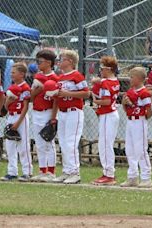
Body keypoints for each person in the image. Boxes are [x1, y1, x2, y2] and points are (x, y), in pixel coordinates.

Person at [52, 50, 89, 184]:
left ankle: (75, 172)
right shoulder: (61, 77)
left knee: (71, 142)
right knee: (62, 142)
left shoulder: (77, 76)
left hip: (74, 111)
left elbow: (86, 93)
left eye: (63, 59)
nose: (60, 61)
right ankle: (66, 171)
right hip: (62, 112)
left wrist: (68, 93)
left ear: (71, 62)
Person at [29, 49, 59, 183]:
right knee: (39, 143)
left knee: (48, 141)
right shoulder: (37, 77)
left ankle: (51, 172)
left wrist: (53, 117)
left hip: (47, 111)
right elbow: (30, 97)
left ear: (48, 63)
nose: (38, 64)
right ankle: (42, 170)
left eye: (40, 62)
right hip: (36, 111)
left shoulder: (54, 78)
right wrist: (38, 89)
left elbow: (56, 100)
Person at [121, 67, 152, 188]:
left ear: (139, 78)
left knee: (140, 150)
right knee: (129, 149)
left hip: (140, 121)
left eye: (132, 77)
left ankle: (146, 178)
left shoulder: (144, 93)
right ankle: (132, 177)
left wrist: (140, 113)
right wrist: (126, 104)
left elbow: (149, 112)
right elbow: (126, 110)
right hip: (130, 121)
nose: (130, 79)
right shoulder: (130, 91)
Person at [0, 63, 32, 182]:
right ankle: (12, 172)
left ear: (22, 74)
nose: (11, 74)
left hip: (21, 117)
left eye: (14, 72)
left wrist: (19, 122)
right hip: (11, 116)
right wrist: (8, 101)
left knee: (23, 145)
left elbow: (25, 107)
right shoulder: (11, 87)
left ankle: (27, 172)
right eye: (11, 72)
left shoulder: (25, 87)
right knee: (10, 146)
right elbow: (6, 108)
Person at [90, 56, 120, 186]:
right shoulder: (113, 81)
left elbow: (107, 101)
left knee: (105, 145)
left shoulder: (107, 83)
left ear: (109, 69)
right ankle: (107, 172)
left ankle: (109, 174)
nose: (100, 71)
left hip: (108, 114)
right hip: (108, 114)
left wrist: (95, 101)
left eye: (102, 68)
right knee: (104, 144)